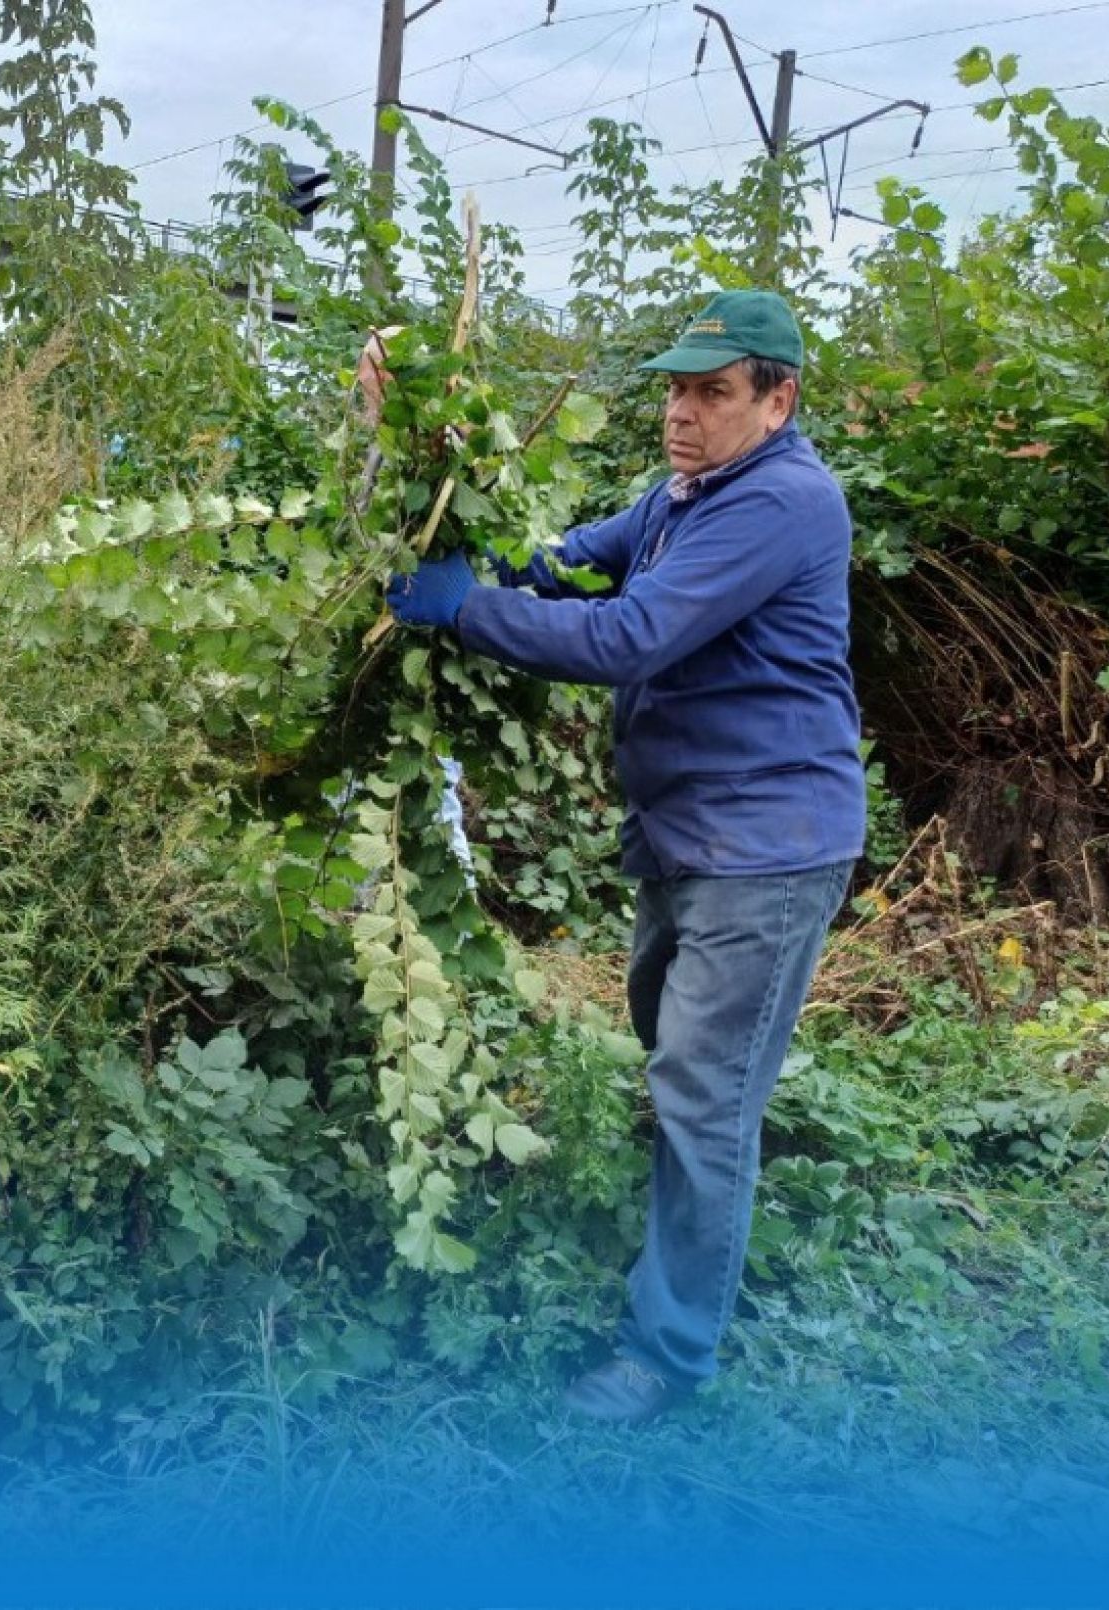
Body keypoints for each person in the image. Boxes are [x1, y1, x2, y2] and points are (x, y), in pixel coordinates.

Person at [385, 289, 866, 1425]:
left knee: (703, 1094)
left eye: (712, 392)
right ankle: (694, 1242)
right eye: (675, 390)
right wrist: (471, 548)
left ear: (778, 401)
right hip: (691, 834)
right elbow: (571, 566)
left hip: (767, 847)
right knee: (681, 1062)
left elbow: (628, 634)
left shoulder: (782, 503)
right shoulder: (683, 496)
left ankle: (669, 1355)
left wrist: (465, 612)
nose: (681, 413)